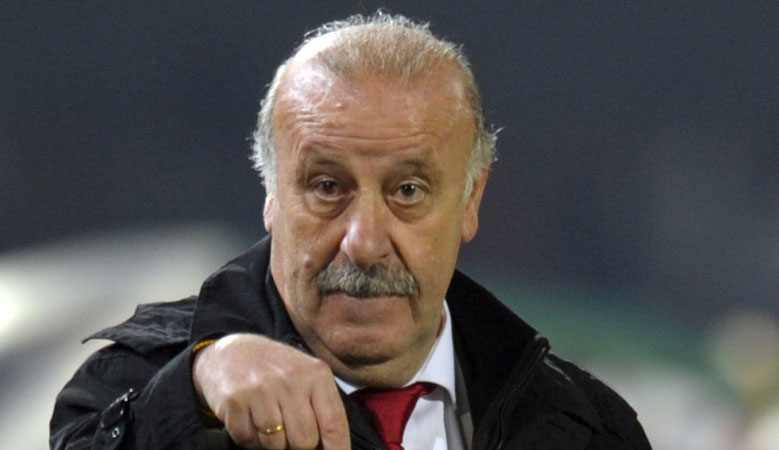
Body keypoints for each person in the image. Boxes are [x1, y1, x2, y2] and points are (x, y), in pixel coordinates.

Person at [50, 12, 651, 450]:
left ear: (471, 200)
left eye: (408, 191)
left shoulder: (589, 428)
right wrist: (190, 394)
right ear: (271, 195)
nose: (363, 243)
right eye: (327, 187)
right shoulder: (134, 387)